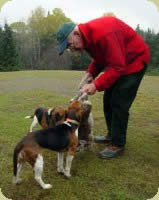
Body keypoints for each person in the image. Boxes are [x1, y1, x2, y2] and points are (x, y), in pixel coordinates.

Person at [56, 16, 150, 159]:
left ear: (75, 34)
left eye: (69, 45)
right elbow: (100, 59)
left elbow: (118, 66)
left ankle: (117, 144)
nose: (71, 48)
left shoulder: (104, 33)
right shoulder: (87, 39)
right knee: (108, 99)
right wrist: (89, 74)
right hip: (121, 63)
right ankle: (111, 135)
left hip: (134, 62)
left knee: (119, 101)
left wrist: (96, 84)